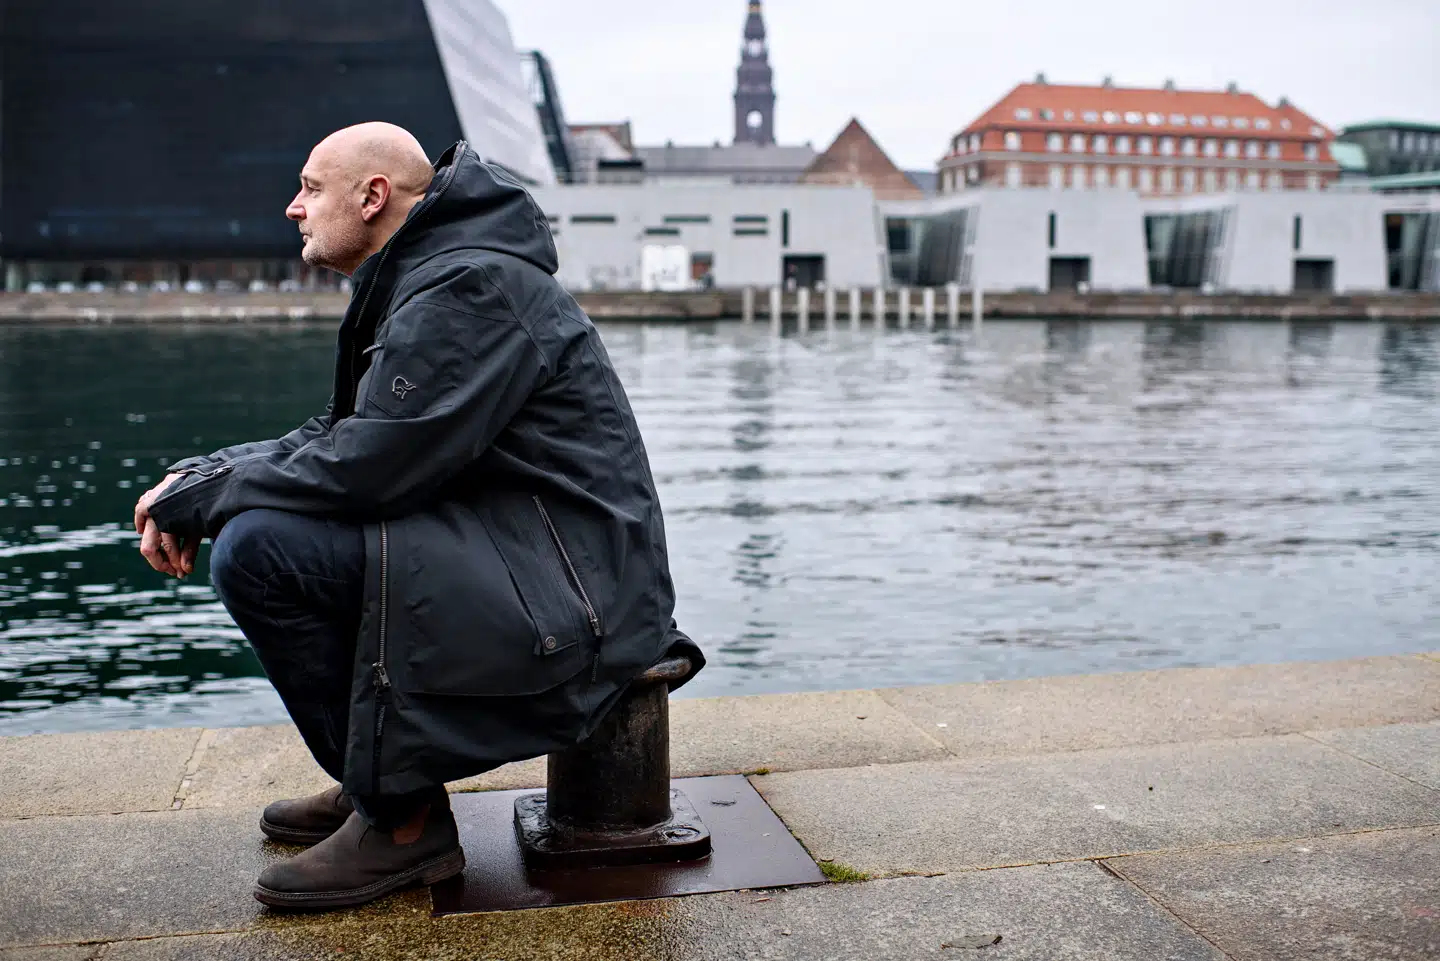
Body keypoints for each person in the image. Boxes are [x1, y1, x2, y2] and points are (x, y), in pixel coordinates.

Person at [133, 123, 702, 910]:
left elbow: (374, 465)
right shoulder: (433, 273)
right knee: (263, 524)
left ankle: (401, 816)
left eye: (310, 187)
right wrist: (205, 476)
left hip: (580, 599)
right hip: (542, 559)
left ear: (372, 198)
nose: (293, 207)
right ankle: (379, 775)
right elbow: (341, 435)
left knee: (261, 549)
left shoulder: (468, 286)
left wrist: (212, 502)